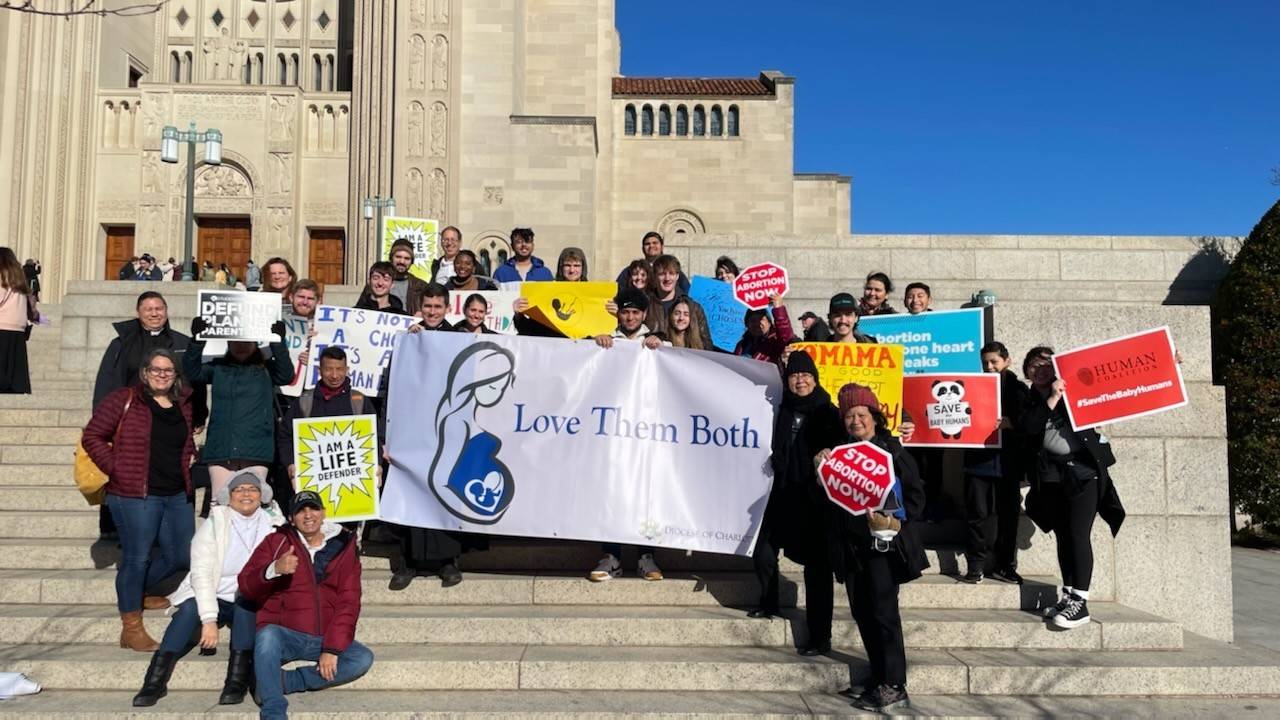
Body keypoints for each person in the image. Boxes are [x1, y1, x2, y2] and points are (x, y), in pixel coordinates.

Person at [815, 383, 927, 712]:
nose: (855, 420)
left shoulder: (893, 451)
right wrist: (821, 469)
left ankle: (895, 684)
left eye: (861, 414)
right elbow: (831, 502)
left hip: (884, 548)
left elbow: (917, 501)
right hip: (851, 548)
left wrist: (891, 519)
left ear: (874, 416)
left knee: (884, 614)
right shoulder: (838, 453)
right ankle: (878, 676)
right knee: (862, 612)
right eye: (849, 415)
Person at [131, 473, 284, 707]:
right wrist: (209, 620)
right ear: (229, 496)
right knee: (188, 610)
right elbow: (201, 574)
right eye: (238, 489)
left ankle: (236, 681)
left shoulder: (273, 523)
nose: (245, 494)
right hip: (212, 592)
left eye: (252, 489)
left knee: (245, 605)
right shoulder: (214, 524)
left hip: (248, 594)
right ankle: (155, 681)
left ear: (261, 495)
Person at [81, 349, 197, 652]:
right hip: (134, 493)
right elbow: (92, 435)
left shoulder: (182, 402)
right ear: (145, 372)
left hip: (176, 492)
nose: (162, 374)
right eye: (156, 369)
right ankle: (131, 627)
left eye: (168, 370)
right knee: (136, 558)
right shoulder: (124, 398)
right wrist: (116, 467)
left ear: (175, 375)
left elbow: (183, 441)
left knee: (182, 556)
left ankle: (137, 590)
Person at [238, 491, 373, 720]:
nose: (308, 515)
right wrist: (273, 570)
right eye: (301, 510)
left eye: (313, 508)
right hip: (286, 633)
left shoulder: (344, 546)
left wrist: (332, 648)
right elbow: (246, 585)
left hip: (324, 636)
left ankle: (285, 681)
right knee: (267, 636)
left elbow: (349, 601)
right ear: (291, 518)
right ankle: (273, 710)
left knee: (362, 659)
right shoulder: (276, 541)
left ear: (323, 513)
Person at [1018, 346, 1125, 630]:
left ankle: (1081, 600)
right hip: (1051, 476)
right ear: (1026, 371)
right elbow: (1029, 428)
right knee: (1064, 535)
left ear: (1055, 368)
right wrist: (1051, 397)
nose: (1039, 369)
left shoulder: (1076, 390)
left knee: (1078, 534)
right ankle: (1068, 595)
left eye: (1045, 364)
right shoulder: (1027, 399)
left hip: (1083, 473)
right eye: (1033, 365)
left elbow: (1123, 381)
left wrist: (1167, 362)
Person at [750, 351, 842, 629]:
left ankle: (819, 633)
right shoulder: (781, 408)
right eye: (794, 375)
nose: (799, 381)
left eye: (805, 375)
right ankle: (768, 602)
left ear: (815, 379)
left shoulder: (829, 412)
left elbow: (845, 448)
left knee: (817, 568)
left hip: (813, 500)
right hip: (780, 492)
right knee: (763, 551)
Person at [588, 289, 664, 582]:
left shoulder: (657, 342)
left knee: (647, 493)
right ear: (617, 314)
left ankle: (646, 556)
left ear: (644, 315)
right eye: (625, 312)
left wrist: (660, 345)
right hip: (615, 433)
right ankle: (612, 555)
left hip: (648, 432)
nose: (630, 317)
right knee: (613, 491)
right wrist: (595, 345)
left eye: (635, 313)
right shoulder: (608, 342)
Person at [184, 317, 293, 505]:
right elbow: (191, 371)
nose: (241, 346)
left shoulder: (266, 369)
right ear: (228, 342)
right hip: (221, 449)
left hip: (256, 450)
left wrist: (278, 341)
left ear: (255, 342)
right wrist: (197, 340)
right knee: (220, 506)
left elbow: (286, 374)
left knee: (252, 506)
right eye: (236, 341)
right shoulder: (218, 368)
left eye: (246, 341)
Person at [959, 341, 1030, 585]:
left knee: (1008, 516)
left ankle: (1005, 566)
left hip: (1007, 463)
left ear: (1007, 361)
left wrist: (1013, 423)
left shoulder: (1019, 389)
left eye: (994, 362)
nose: (989, 367)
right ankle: (975, 565)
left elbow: (1029, 422)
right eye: (985, 363)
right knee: (976, 514)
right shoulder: (972, 386)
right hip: (978, 461)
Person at [279, 346, 373, 485]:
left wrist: (377, 465)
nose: (334, 375)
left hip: (353, 482)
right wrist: (290, 464)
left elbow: (373, 439)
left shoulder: (359, 401)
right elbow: (285, 437)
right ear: (319, 370)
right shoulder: (304, 401)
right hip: (313, 482)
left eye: (339, 369)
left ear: (347, 370)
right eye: (328, 369)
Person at [0, 247, 36, 394]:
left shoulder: (2, 276)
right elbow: (30, 306)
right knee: (14, 374)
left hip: (1, 327)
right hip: (18, 331)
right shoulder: (19, 279)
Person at [613, 232, 689, 295]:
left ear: (662, 247)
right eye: (647, 244)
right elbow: (618, 291)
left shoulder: (672, 271)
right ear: (643, 249)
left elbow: (687, 291)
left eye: (655, 243)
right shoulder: (630, 271)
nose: (651, 246)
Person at [734, 293, 793, 364]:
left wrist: (778, 308)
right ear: (747, 324)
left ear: (769, 323)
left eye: (761, 319)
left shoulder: (775, 342)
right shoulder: (741, 345)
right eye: (753, 320)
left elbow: (785, 336)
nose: (757, 323)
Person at [389, 238, 430, 314]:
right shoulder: (377, 284)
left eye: (407, 258)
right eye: (398, 257)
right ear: (391, 258)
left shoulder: (421, 286)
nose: (402, 261)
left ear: (411, 262)